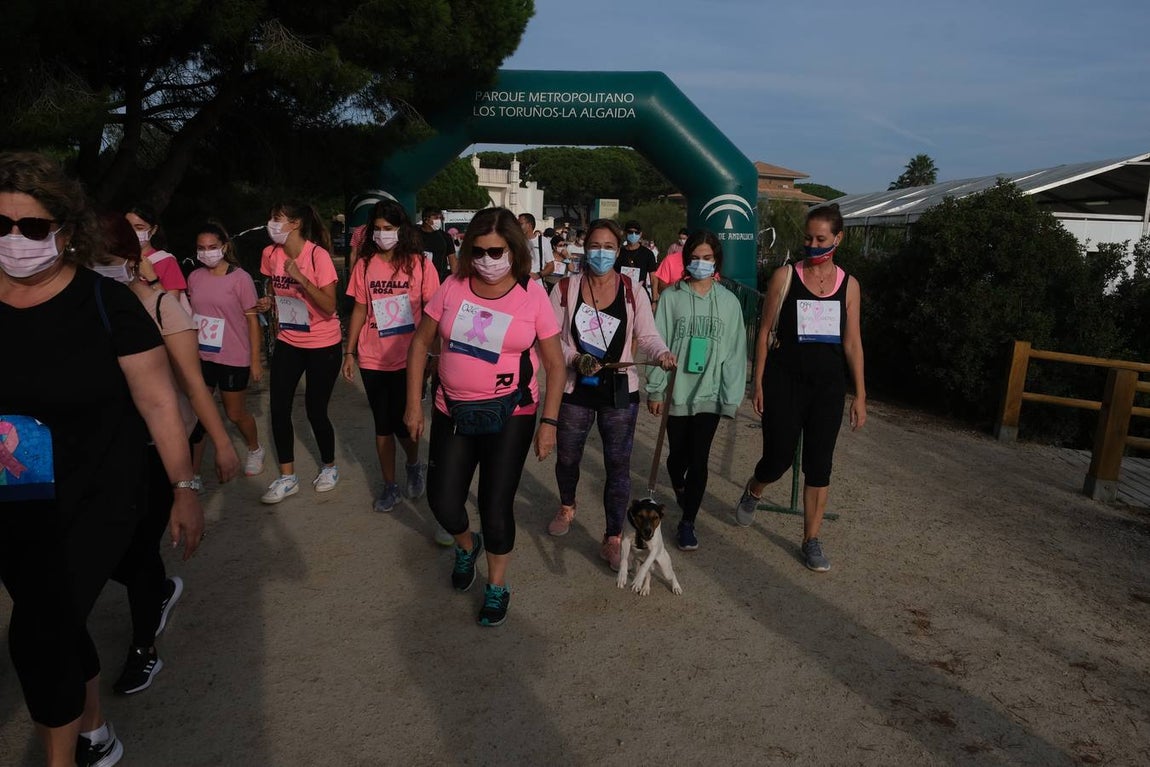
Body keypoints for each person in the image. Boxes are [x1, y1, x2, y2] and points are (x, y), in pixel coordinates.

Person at [0, 151, 203, 767]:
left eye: (32, 226)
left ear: (65, 231)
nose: (14, 239)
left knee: (36, 634)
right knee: (53, 619)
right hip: (15, 497)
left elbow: (159, 402)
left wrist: (185, 487)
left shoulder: (107, 304)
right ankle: (94, 730)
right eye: (1, 225)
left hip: (101, 495)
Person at [92, 213, 240, 698]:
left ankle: (143, 649)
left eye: (105, 260)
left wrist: (221, 444)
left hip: (159, 445)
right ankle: (156, 589)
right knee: (105, 550)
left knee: (139, 547)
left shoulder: (163, 308)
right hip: (104, 449)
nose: (97, 270)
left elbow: (194, 387)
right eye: (89, 261)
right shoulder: (85, 307)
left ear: (130, 259)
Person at [404, 207, 564, 628]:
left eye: (496, 251)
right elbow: (420, 344)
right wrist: (412, 404)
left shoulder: (532, 294)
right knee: (443, 501)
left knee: (495, 506)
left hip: (512, 412)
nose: (487, 260)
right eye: (478, 251)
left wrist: (549, 424)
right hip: (452, 408)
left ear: (513, 249)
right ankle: (465, 544)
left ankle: (496, 584)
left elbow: (555, 364)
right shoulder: (452, 286)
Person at [735, 203, 866, 572]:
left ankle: (811, 539)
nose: (813, 245)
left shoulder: (849, 285)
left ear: (838, 239)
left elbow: (853, 342)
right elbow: (763, 332)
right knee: (777, 459)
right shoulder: (785, 276)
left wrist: (860, 394)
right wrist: (758, 381)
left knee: (819, 465)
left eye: (821, 239)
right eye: (808, 238)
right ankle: (754, 489)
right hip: (785, 381)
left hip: (828, 387)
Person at [547, 219, 675, 571]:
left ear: (618, 252)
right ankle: (567, 505)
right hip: (576, 387)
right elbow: (549, 337)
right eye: (594, 246)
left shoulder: (633, 290)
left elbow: (647, 335)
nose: (600, 253)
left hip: (619, 389)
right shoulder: (565, 288)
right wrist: (575, 358)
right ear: (584, 248)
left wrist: (662, 353)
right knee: (567, 457)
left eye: (608, 247)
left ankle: (613, 536)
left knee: (618, 466)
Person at [646, 229, 747, 551]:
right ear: (685, 259)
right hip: (677, 390)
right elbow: (658, 342)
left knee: (700, 459)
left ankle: (688, 522)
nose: (700, 263)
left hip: (710, 392)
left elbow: (735, 352)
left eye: (707, 258)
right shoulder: (671, 298)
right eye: (694, 258)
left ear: (716, 260)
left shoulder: (729, 302)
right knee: (678, 458)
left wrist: (731, 397)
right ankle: (679, 485)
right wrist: (655, 389)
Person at [343, 199, 440, 512]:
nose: (382, 234)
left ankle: (413, 463)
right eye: (377, 228)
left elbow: (434, 314)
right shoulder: (365, 265)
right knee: (382, 424)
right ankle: (390, 486)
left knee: (404, 423)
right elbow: (360, 308)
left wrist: (433, 355)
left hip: (409, 358)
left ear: (402, 229)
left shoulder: (420, 264)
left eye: (389, 228)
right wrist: (349, 351)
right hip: (372, 356)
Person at [257, 200, 343, 503]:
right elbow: (273, 286)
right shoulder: (270, 253)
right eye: (271, 218)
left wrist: (302, 279)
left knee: (315, 410)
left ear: (295, 224)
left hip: (323, 343)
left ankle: (329, 467)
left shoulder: (318, 256)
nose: (271, 224)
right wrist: (268, 301)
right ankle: (287, 477)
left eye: (277, 218)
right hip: (289, 339)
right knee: (278, 408)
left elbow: (330, 306)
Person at [186, 221, 266, 482]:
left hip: (232, 355)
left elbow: (252, 320)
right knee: (197, 415)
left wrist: (255, 360)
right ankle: (193, 473)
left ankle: (255, 449)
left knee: (234, 413)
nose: (206, 252)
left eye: (212, 247)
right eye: (201, 248)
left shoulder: (240, 278)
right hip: (202, 355)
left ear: (224, 247)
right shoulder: (195, 277)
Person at [125, 204, 189, 311]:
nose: (131, 233)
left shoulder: (166, 261)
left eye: (139, 228)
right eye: (127, 227)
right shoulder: (118, 260)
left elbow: (173, 309)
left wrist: (151, 277)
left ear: (153, 230)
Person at [616, 220, 657, 297]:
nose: (633, 235)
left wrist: (654, 299)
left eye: (636, 232)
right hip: (621, 295)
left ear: (640, 234)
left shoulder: (648, 254)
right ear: (625, 233)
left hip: (641, 295)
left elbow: (653, 279)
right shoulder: (618, 253)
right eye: (630, 232)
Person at [419, 207, 456, 282]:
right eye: (436, 218)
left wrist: (456, 281)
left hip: (439, 280)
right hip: (418, 278)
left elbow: (453, 261)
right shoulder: (413, 235)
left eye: (440, 218)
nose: (439, 221)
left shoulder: (445, 237)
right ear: (426, 220)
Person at [518, 212, 554, 285]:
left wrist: (537, 275)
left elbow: (551, 266)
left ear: (529, 225)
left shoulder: (543, 241)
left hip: (537, 284)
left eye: (520, 224)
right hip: (519, 283)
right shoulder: (516, 241)